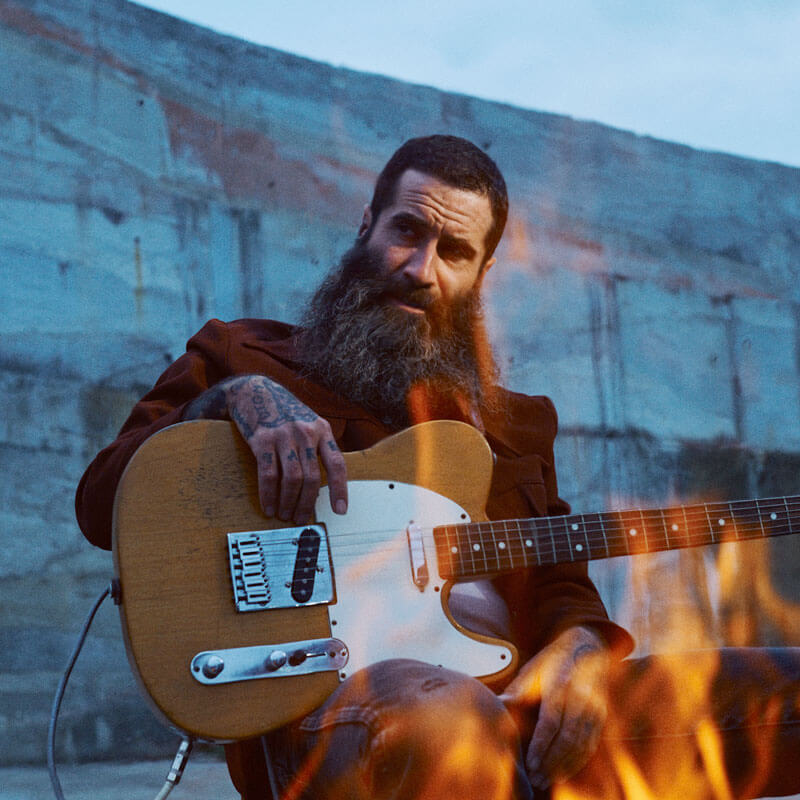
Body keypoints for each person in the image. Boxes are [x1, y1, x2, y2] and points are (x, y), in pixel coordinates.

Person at [76, 135, 799, 799]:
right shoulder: (241, 357)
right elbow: (103, 503)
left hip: (517, 703)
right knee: (450, 722)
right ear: (367, 224)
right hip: (340, 714)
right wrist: (234, 400)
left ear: (482, 271)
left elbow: (561, 584)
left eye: (454, 252)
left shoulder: (514, 425)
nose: (422, 270)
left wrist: (581, 649)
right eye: (407, 231)